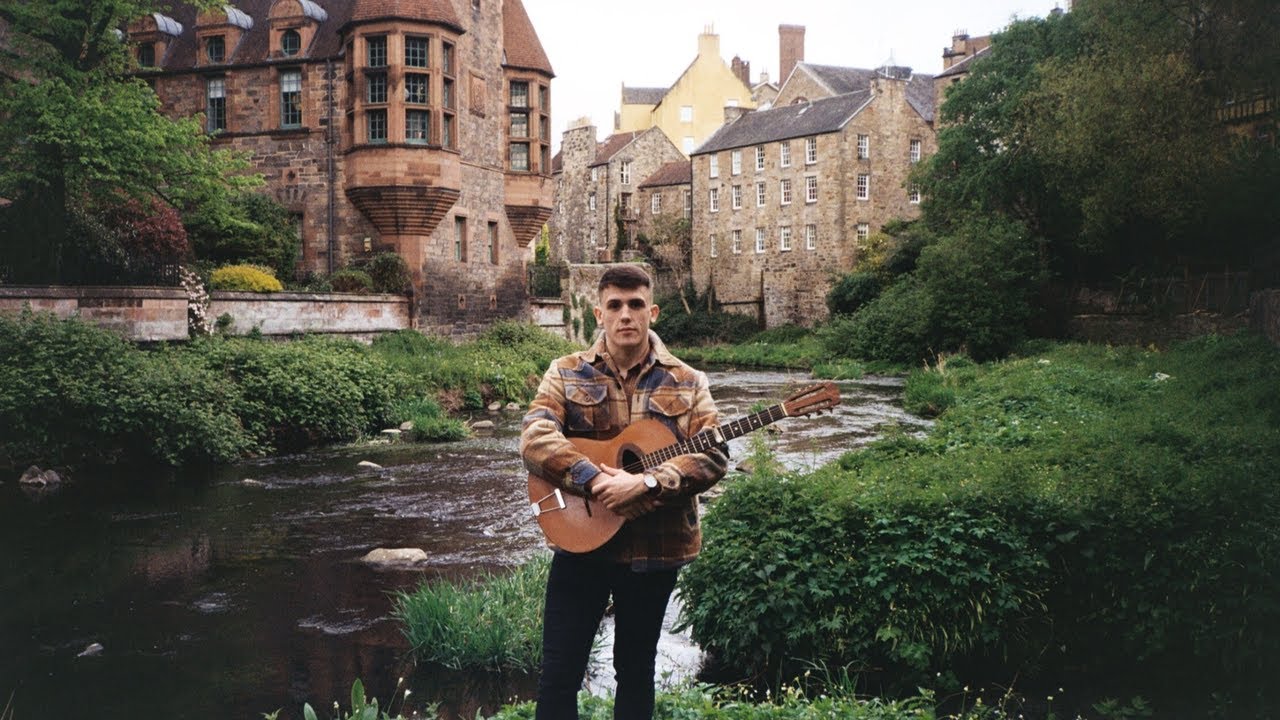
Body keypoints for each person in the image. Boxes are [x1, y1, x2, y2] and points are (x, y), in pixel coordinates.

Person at [520, 264, 728, 719]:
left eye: (636, 305)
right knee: (557, 671)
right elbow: (535, 436)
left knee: (635, 671)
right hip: (581, 544)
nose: (625, 315)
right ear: (599, 313)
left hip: (654, 550)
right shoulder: (566, 371)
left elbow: (713, 455)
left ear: (652, 311)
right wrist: (592, 479)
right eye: (615, 305)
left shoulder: (689, 381)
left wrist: (649, 481)